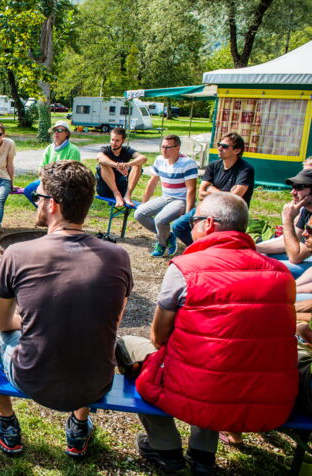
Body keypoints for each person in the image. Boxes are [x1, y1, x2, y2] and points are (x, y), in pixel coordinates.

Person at [118, 192, 297, 474]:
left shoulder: (186, 268)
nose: (189, 225)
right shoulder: (280, 272)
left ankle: (167, 449)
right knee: (219, 359)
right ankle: (202, 455)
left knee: (130, 347)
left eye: (193, 220)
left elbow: (158, 337)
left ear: (209, 224)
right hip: (267, 396)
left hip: (206, 386)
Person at [0, 160, 132, 457]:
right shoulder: (119, 256)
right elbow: (110, 321)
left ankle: (6, 422)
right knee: (92, 332)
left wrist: (35, 320)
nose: (36, 202)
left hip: (34, 378)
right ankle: (78, 427)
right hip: (96, 381)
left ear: (52, 205)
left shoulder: (17, 253)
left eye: (39, 197)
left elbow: (0, 322)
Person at [171, 133, 254, 247]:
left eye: (224, 146)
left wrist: (211, 189)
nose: (219, 148)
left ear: (237, 150)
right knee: (178, 226)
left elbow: (233, 200)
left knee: (214, 234)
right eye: (219, 144)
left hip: (229, 214)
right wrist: (225, 194)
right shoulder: (213, 165)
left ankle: (210, 250)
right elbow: (201, 194)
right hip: (207, 208)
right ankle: (201, 249)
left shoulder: (245, 169)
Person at [134, 135, 197, 257]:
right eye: (162, 147)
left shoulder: (187, 163)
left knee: (160, 219)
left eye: (167, 147)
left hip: (181, 200)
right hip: (165, 197)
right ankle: (168, 236)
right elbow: (152, 182)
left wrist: (188, 214)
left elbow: (191, 190)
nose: (164, 150)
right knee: (139, 214)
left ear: (177, 148)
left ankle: (162, 244)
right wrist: (144, 202)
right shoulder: (159, 160)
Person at [256, 167, 312, 279]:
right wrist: (252, 247)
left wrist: (287, 220)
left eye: (299, 187)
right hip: (304, 255)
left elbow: (295, 257)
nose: (292, 192)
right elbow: (290, 240)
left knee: (265, 267)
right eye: (293, 187)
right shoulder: (307, 210)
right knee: (264, 255)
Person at [22, 120, 81, 207]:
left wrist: (52, 183)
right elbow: (42, 167)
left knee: (52, 196)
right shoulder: (49, 148)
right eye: (55, 130)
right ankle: (46, 212)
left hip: (63, 183)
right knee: (28, 190)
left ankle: (51, 213)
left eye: (60, 130)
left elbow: (72, 173)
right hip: (47, 180)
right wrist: (43, 181)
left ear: (67, 134)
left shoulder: (73, 150)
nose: (56, 133)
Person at [95, 127, 146, 207]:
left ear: (123, 141)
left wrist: (127, 165)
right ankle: (116, 194)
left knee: (137, 165)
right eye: (112, 140)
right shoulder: (105, 149)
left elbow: (143, 158)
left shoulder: (127, 150)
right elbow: (100, 158)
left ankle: (128, 195)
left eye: (117, 140)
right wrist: (117, 165)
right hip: (105, 188)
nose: (114, 143)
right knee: (103, 164)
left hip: (122, 188)